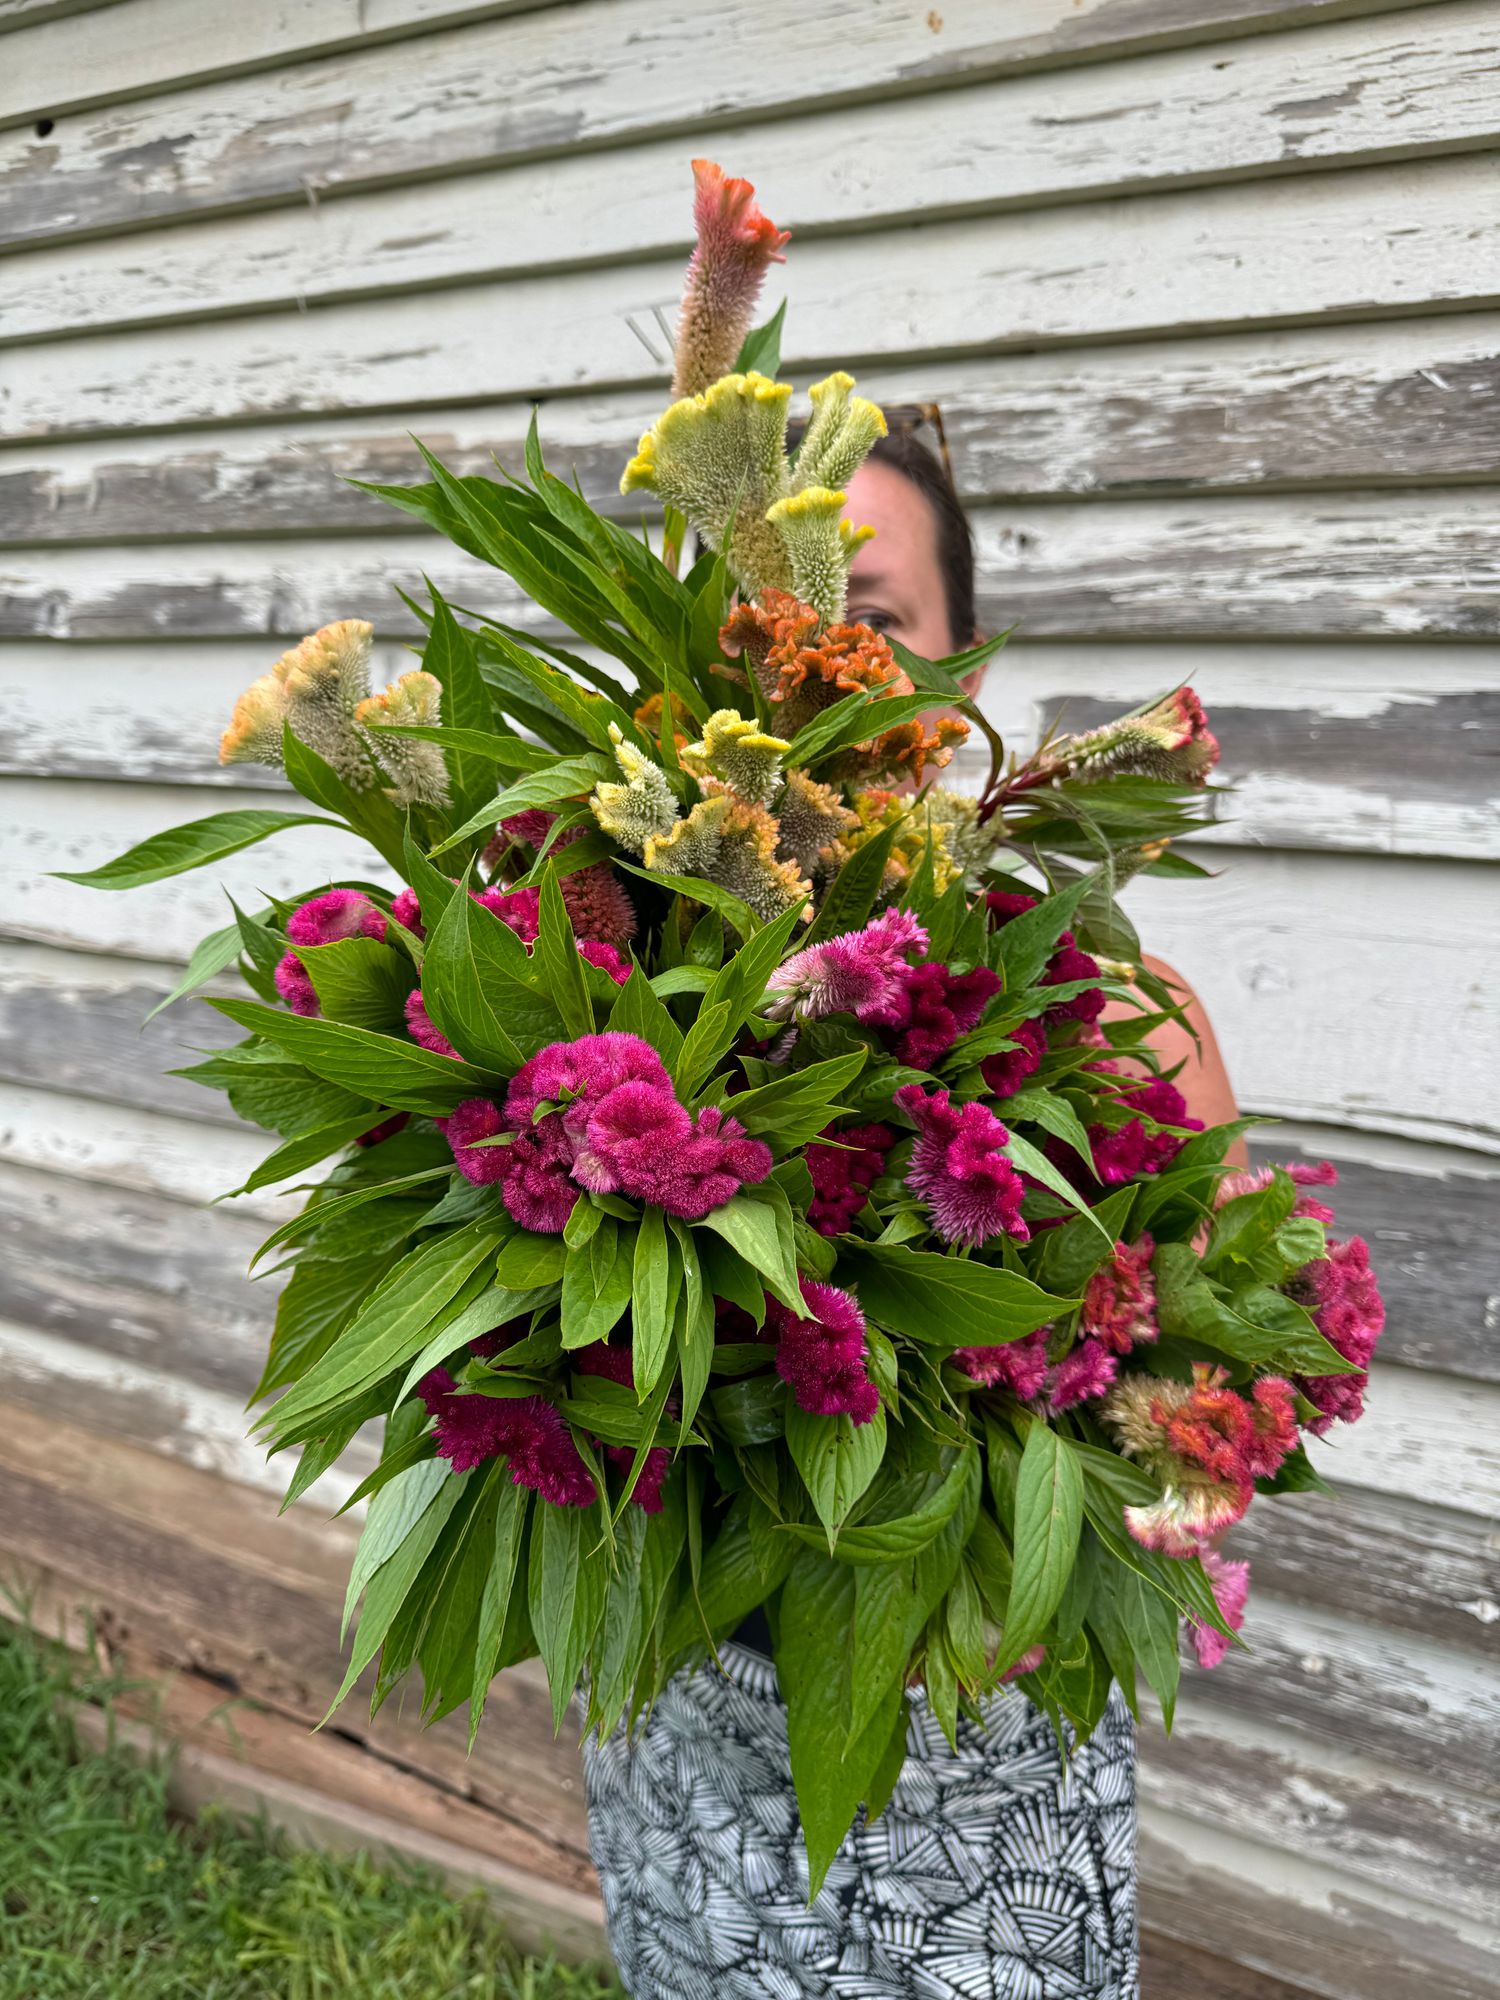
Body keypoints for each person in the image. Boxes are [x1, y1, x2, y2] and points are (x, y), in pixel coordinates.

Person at [581, 422, 1240, 2000]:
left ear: (958, 671)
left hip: (972, 1765)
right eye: (768, 623)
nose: (819, 673)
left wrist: (1128, 1521)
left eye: (871, 624)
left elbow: (1218, 1399)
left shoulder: (1121, 1009)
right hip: (684, 1704)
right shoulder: (621, 982)